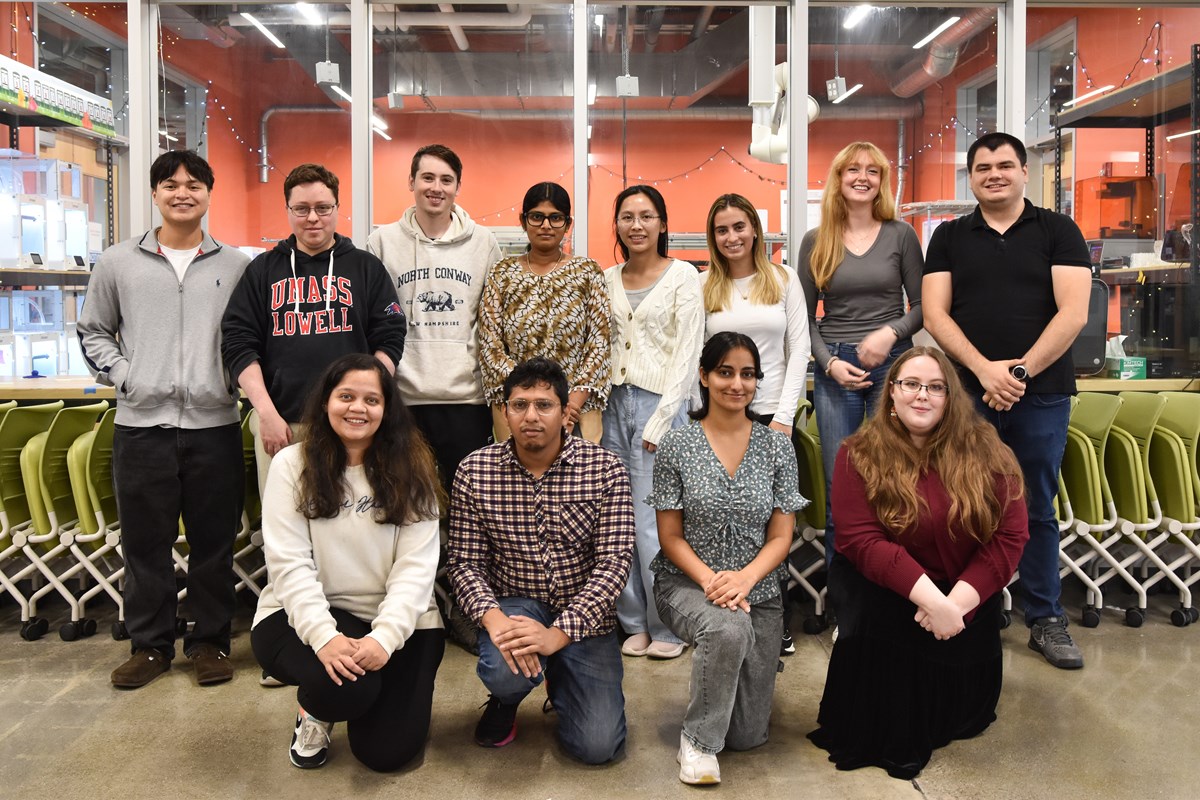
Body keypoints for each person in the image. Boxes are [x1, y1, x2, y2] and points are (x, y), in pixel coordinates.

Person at [807, 346, 1029, 779]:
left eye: (935, 387)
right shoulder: (858, 452)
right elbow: (861, 541)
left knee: (960, 706)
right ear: (892, 393)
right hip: (888, 587)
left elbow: (1009, 536)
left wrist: (957, 604)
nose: (922, 395)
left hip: (963, 591)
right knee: (889, 693)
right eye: (910, 384)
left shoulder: (987, 449)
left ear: (950, 398)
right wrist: (935, 602)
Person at [922, 131, 1092, 670]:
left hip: (1040, 395)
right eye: (982, 168)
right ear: (970, 178)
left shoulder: (1059, 231)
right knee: (964, 503)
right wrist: (982, 371)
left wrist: (1017, 372)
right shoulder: (949, 236)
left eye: (1004, 165)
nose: (993, 174)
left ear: (1024, 171)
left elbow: (1074, 314)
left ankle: (1045, 617)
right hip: (968, 396)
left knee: (1036, 507)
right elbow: (934, 315)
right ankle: (976, 605)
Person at [79, 150, 249, 689]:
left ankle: (209, 643)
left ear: (208, 193)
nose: (183, 192)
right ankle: (149, 647)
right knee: (145, 544)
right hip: (140, 425)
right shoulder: (118, 262)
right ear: (154, 193)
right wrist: (127, 376)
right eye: (171, 184)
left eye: (194, 184)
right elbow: (93, 332)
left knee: (214, 542)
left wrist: (228, 383)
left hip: (215, 426)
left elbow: (248, 339)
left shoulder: (236, 266)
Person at [251, 353, 445, 772]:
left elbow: (417, 568)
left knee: (387, 754)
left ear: (387, 409)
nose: (358, 408)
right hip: (301, 616)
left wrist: (383, 639)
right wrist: (324, 638)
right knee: (347, 691)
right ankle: (315, 711)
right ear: (325, 402)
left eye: (372, 400)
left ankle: (370, 692)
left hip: (400, 622)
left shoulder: (414, 469)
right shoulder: (291, 464)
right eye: (346, 396)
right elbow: (288, 564)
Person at [447, 357, 634, 765]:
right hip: (515, 603)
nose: (530, 416)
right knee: (502, 669)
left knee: (598, 747)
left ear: (565, 412)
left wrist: (557, 635)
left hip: (585, 615)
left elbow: (614, 563)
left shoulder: (605, 469)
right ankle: (506, 697)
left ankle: (561, 679)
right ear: (505, 410)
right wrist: (496, 623)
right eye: (519, 405)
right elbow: (464, 563)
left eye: (543, 405)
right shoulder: (475, 471)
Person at [648, 332, 804, 785]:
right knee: (727, 627)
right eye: (725, 372)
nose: (737, 384)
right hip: (686, 583)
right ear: (704, 376)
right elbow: (670, 536)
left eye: (748, 374)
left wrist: (746, 580)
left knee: (749, 735)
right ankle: (696, 742)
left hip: (762, 590)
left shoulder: (777, 446)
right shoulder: (677, 445)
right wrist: (715, 583)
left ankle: (721, 693)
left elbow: (781, 534)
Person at [222, 163, 407, 495]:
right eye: (302, 209)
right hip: (282, 423)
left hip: (352, 422)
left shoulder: (365, 267)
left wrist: (365, 403)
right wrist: (265, 414)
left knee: (351, 518)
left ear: (337, 208)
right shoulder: (263, 270)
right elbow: (238, 344)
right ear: (288, 210)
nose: (312, 218)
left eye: (323, 208)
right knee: (283, 525)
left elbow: (391, 337)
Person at [798, 142, 924, 564]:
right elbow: (803, 318)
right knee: (844, 488)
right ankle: (846, 603)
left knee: (893, 483)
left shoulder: (901, 235)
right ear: (838, 179)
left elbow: (923, 307)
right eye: (852, 169)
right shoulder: (816, 241)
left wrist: (890, 332)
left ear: (882, 182)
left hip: (894, 370)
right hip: (836, 370)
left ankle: (892, 588)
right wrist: (829, 364)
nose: (862, 177)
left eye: (873, 170)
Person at [700, 193, 809, 656]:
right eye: (722, 229)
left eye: (739, 227)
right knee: (721, 525)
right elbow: (695, 360)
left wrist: (782, 420)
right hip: (720, 419)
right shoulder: (703, 286)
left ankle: (774, 621)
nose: (731, 237)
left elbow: (798, 349)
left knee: (772, 529)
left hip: (771, 418)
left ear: (755, 231)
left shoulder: (783, 279)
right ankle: (722, 618)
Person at [602, 185, 704, 661]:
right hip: (609, 406)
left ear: (662, 223)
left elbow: (689, 351)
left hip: (659, 407)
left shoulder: (684, 276)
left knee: (655, 524)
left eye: (646, 216)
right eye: (627, 216)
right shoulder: (606, 278)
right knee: (615, 519)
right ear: (617, 224)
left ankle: (668, 625)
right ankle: (631, 622)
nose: (636, 225)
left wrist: (663, 418)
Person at [366, 144, 502, 494]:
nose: (436, 187)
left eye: (446, 179)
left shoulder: (484, 242)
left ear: (458, 186)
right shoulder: (381, 242)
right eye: (427, 177)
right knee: (405, 497)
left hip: (466, 397)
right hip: (402, 396)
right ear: (411, 181)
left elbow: (494, 319)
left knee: (467, 500)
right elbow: (371, 320)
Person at [479, 183, 612, 443]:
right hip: (517, 409)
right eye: (537, 217)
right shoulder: (502, 273)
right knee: (518, 481)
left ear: (568, 223)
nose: (546, 226)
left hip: (575, 411)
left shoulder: (587, 272)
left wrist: (569, 404)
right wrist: (527, 398)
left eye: (556, 218)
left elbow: (600, 342)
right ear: (523, 220)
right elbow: (490, 345)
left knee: (575, 482)